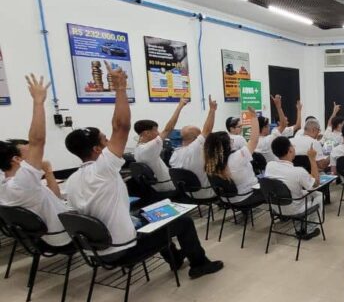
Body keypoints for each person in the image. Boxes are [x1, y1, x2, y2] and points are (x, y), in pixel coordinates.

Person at [65, 62, 222, 279]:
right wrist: (120, 89)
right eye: (105, 140)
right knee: (184, 222)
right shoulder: (104, 169)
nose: (110, 141)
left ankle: (175, 257)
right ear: (96, 149)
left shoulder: (72, 181)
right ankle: (199, 265)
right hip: (124, 247)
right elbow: (121, 126)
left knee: (153, 217)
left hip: (97, 249)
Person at [0, 74, 70, 247]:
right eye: (27, 153)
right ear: (16, 159)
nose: (32, 155)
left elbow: (55, 197)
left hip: (35, 239)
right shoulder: (23, 183)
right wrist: (38, 102)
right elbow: (38, 140)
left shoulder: (5, 184)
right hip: (61, 236)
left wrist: (48, 172)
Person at [265, 136, 322, 239]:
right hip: (294, 209)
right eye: (292, 145)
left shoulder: (269, 165)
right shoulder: (298, 171)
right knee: (318, 195)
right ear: (290, 150)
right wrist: (312, 159)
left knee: (299, 192)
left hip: (275, 206)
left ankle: (300, 224)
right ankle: (309, 229)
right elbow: (316, 183)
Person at [203, 107, 261, 204]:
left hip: (225, 198)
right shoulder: (237, 157)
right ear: (227, 145)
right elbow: (254, 140)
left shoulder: (210, 162)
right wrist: (254, 117)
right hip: (245, 197)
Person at [133, 97, 188, 192]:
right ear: (146, 133)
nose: (158, 133)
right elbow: (168, 129)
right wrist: (180, 106)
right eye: (155, 130)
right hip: (167, 186)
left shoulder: (138, 148)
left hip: (154, 187)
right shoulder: (149, 148)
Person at [169, 95, 218, 199]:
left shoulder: (174, 154)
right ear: (196, 138)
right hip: (206, 192)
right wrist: (212, 110)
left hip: (188, 193)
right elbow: (207, 130)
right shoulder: (194, 149)